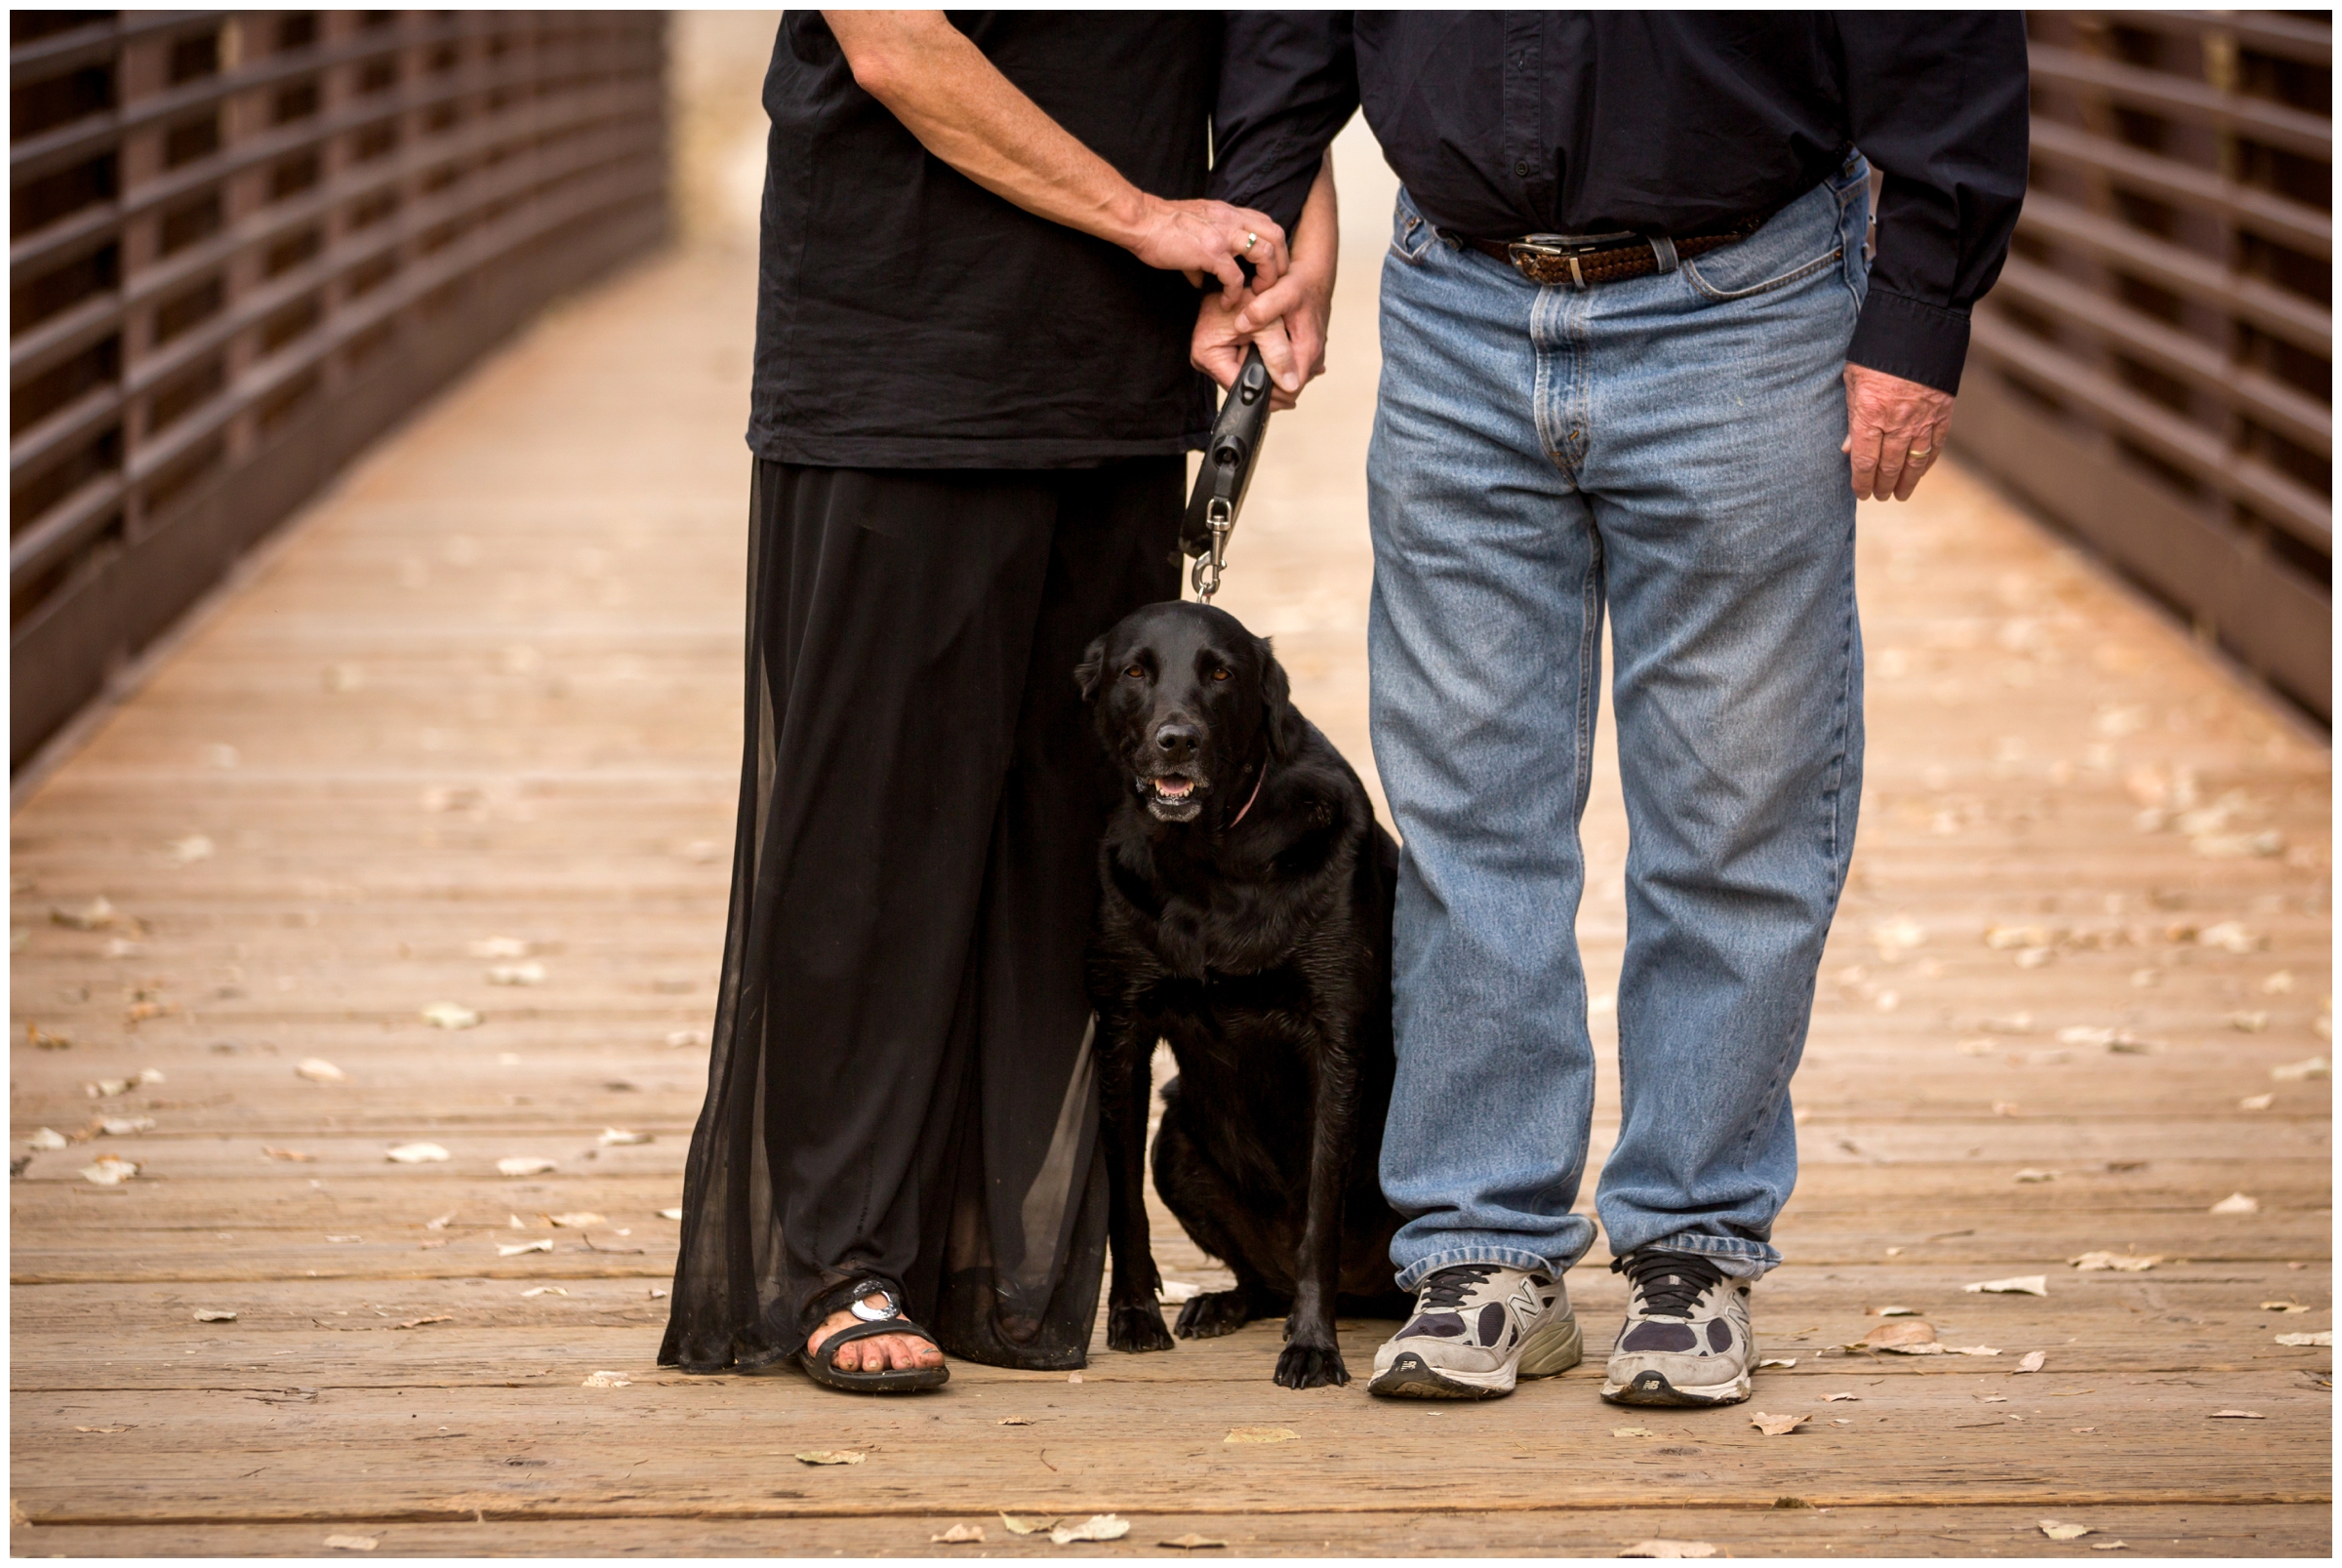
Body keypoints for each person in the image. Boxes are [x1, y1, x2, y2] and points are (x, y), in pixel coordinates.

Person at [1209, 15, 2029, 1404]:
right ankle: (1483, 1248)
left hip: (1744, 302)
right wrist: (1272, 205)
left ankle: (1694, 1246)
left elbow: (1938, 33)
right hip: (1455, 297)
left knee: (1737, 804)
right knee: (1468, 810)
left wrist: (1922, 306)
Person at [659, 11, 1333, 1392]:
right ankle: (842, 1261)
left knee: (1060, 846)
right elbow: (896, 41)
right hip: (902, 359)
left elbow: (1276, 37)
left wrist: (1277, 243)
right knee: (872, 839)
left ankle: (994, 1260)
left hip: (1112, 373)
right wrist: (1149, 217)